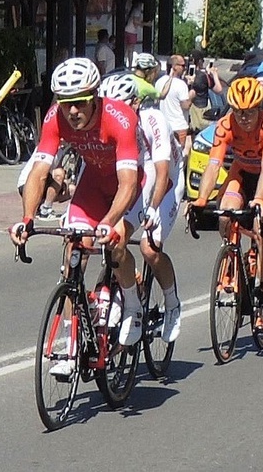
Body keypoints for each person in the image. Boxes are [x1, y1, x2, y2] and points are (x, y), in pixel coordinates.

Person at [10, 58, 144, 375]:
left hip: (132, 184)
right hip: (94, 183)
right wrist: (27, 219)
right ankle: (70, 346)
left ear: (95, 96)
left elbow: (128, 183)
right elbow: (39, 171)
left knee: (116, 241)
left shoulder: (119, 118)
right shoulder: (56, 118)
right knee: (74, 250)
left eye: (80, 103)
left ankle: (133, 307)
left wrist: (109, 222)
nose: (72, 111)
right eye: (66, 102)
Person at [188, 77, 263, 341]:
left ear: (259, 108)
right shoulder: (225, 125)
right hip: (241, 170)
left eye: (250, 112)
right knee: (226, 210)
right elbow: (212, 166)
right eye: (239, 112)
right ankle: (231, 259)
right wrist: (200, 200)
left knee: (262, 227)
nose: (243, 118)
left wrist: (259, 200)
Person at [98, 73, 185, 343]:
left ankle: (172, 304)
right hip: (134, 175)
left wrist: (153, 208)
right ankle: (126, 291)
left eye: (121, 105)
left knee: (149, 247)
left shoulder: (153, 120)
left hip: (167, 180)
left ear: (135, 103)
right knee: (111, 238)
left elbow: (159, 173)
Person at [17, 141, 75, 221]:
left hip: (42, 184)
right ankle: (45, 210)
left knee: (71, 189)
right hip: (27, 185)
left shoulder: (60, 150)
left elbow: (57, 167)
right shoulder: (47, 146)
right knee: (59, 174)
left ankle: (39, 206)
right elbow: (49, 173)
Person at [154, 54, 191, 155]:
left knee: (165, 154)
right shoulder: (181, 84)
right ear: (174, 67)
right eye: (182, 65)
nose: (185, 68)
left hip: (163, 125)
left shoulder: (159, 82)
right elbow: (185, 106)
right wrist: (192, 93)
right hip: (178, 126)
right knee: (178, 156)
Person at [187, 49, 223, 135]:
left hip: (188, 111)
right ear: (199, 61)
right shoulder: (204, 76)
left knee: (189, 136)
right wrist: (214, 74)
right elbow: (219, 90)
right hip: (201, 111)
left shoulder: (185, 74)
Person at [124, 0, 153, 67]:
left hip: (127, 30)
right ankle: (129, 65)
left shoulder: (132, 10)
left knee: (126, 49)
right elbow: (135, 22)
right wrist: (146, 24)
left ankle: (125, 62)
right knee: (130, 50)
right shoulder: (137, 11)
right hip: (132, 32)